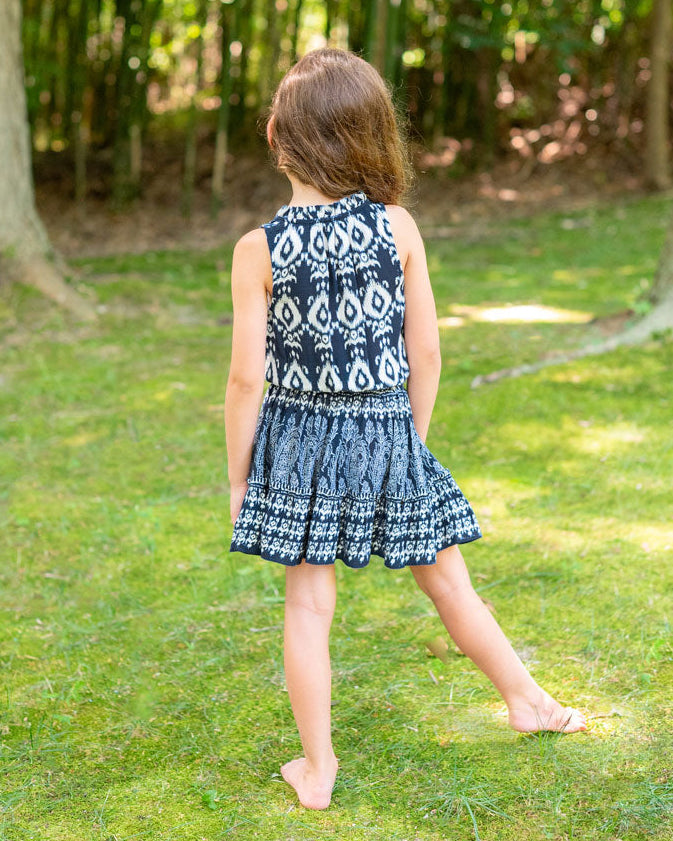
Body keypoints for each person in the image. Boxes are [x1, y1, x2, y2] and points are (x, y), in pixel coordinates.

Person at [224, 47, 586, 812]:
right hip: (387, 430)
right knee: (450, 582)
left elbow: (244, 379)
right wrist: (407, 441)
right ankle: (526, 700)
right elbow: (426, 350)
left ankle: (316, 768)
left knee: (307, 607)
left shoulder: (258, 250)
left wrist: (238, 478)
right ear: (368, 137)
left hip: (297, 445)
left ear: (276, 136)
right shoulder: (396, 228)